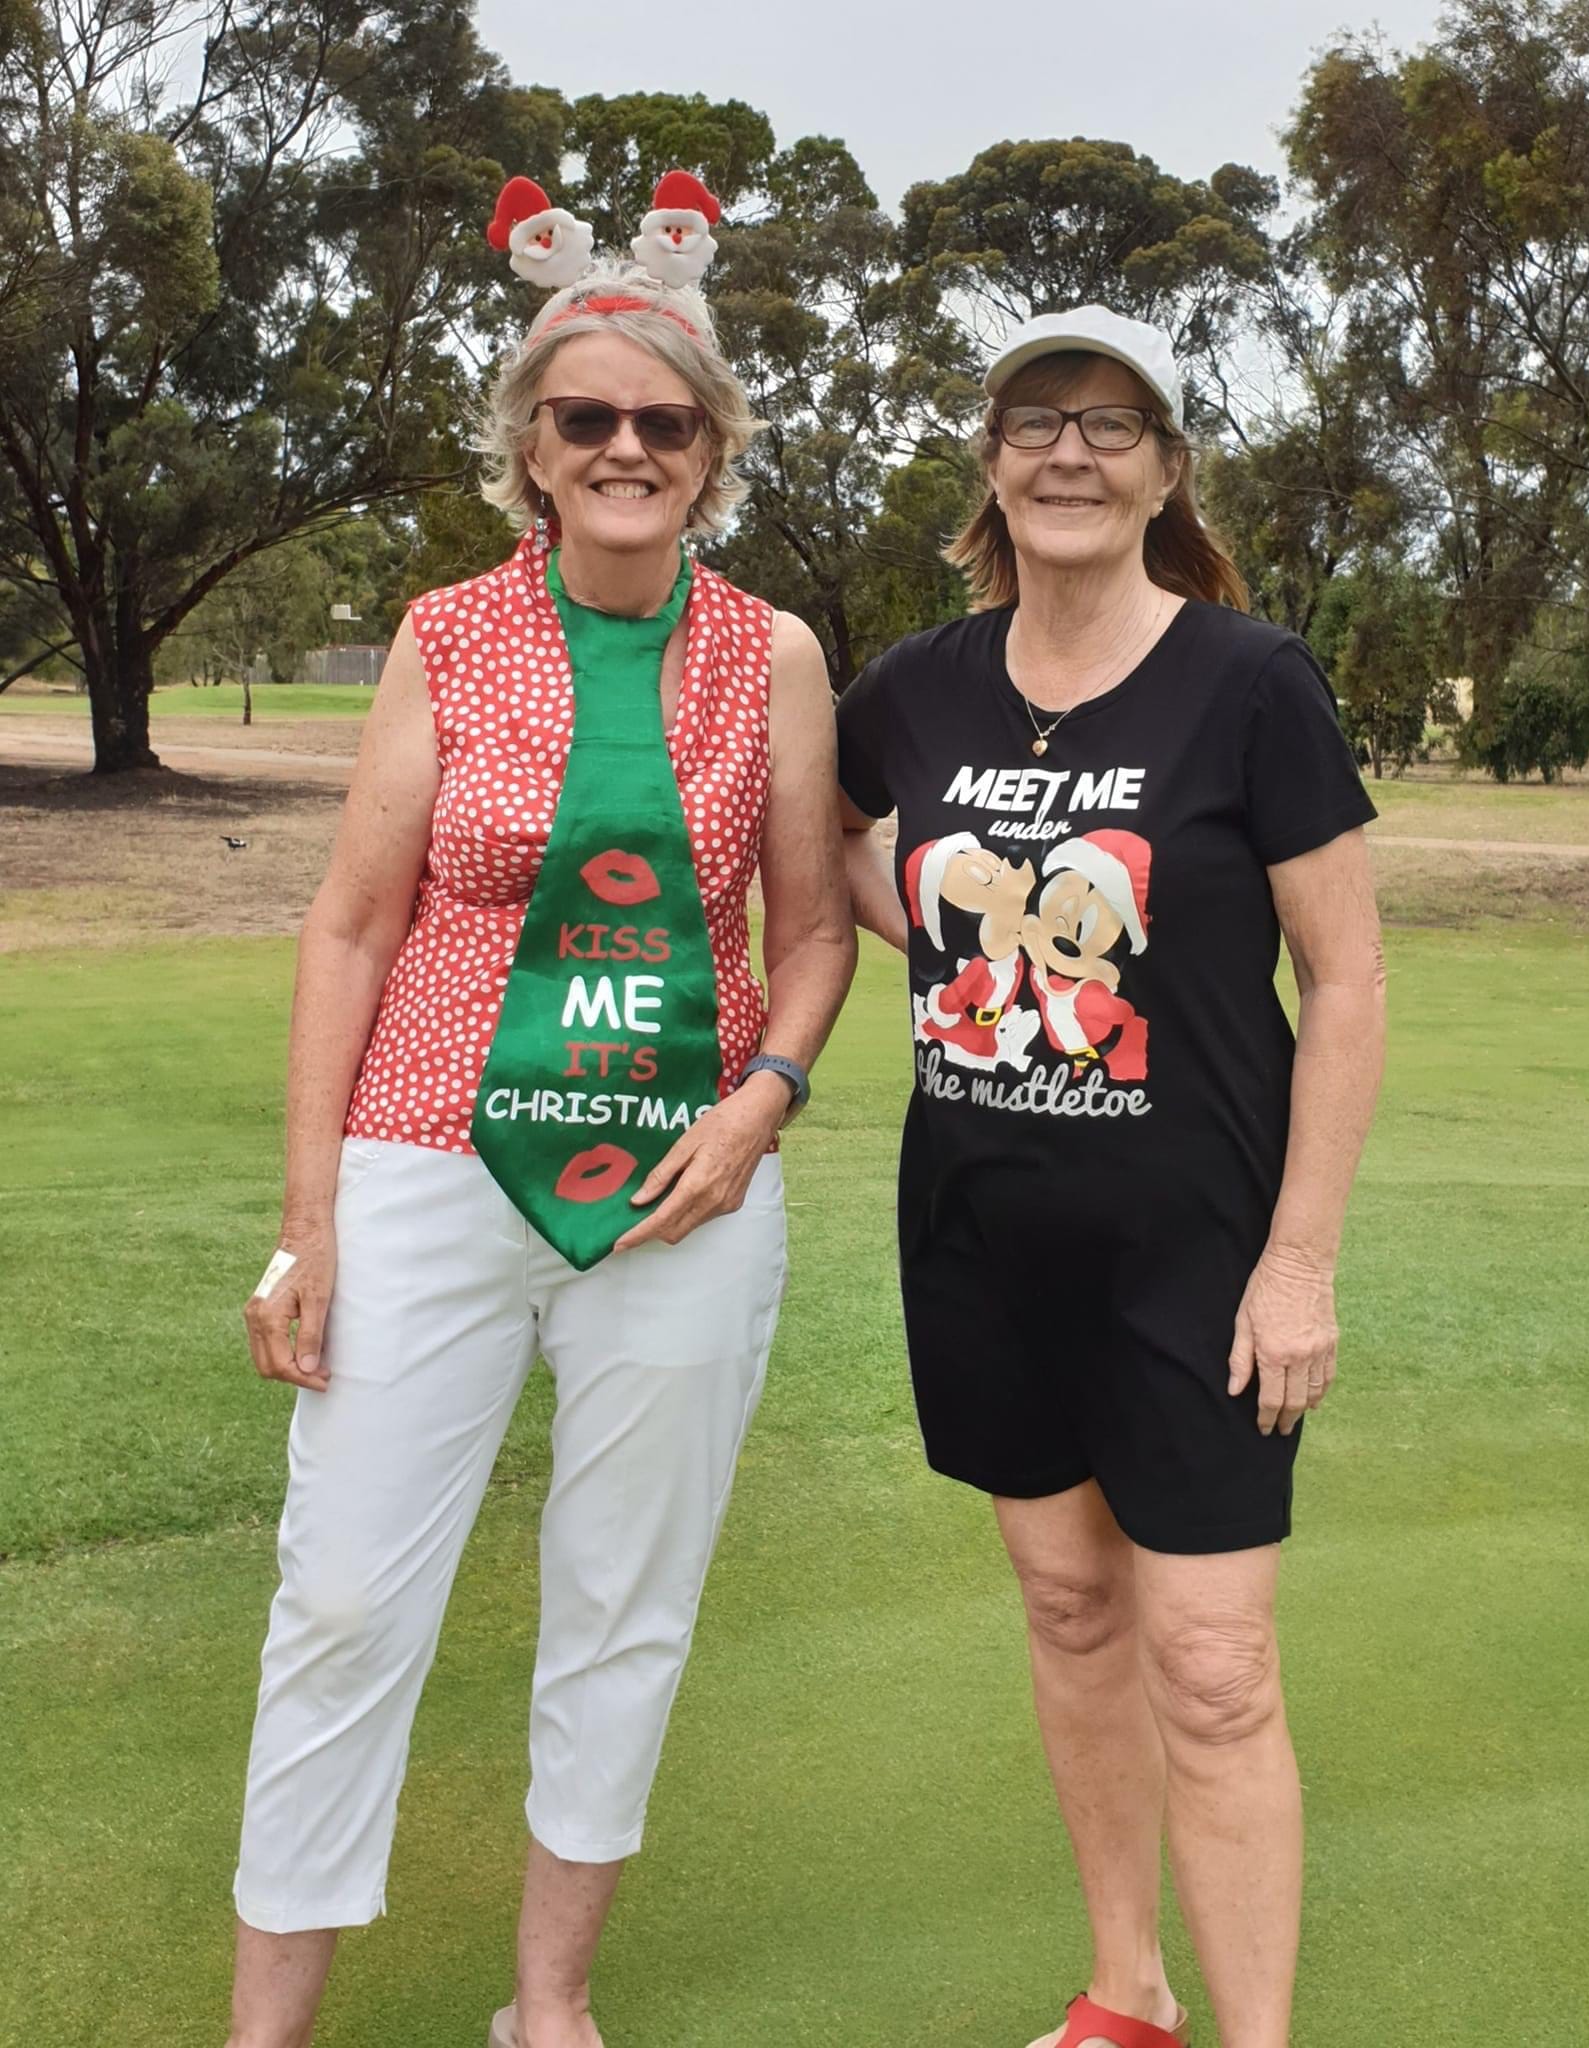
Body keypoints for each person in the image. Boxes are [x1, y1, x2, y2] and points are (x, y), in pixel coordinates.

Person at [231, 172, 855, 2048]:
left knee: (623, 1606)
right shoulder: (441, 634)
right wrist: (310, 1224)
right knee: (345, 1599)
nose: (624, 448)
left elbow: (815, 930)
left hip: (683, 1198)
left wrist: (761, 1106)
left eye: (665, 421)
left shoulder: (775, 654)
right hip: (428, 1169)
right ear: (530, 445)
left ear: (712, 452)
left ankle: (547, 2007)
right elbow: (352, 927)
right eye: (586, 417)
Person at [836, 306, 1386, 2048]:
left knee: (1212, 1669)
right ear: (992, 461)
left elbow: (1349, 981)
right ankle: (1127, 1996)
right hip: (983, 1244)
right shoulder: (913, 687)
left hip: (1199, 1262)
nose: (1069, 451)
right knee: (1073, 1611)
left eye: (1112, 423)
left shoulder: (1250, 681)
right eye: (1036, 419)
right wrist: (964, 939)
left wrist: (1300, 1263)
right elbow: (830, 841)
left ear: (1166, 469)